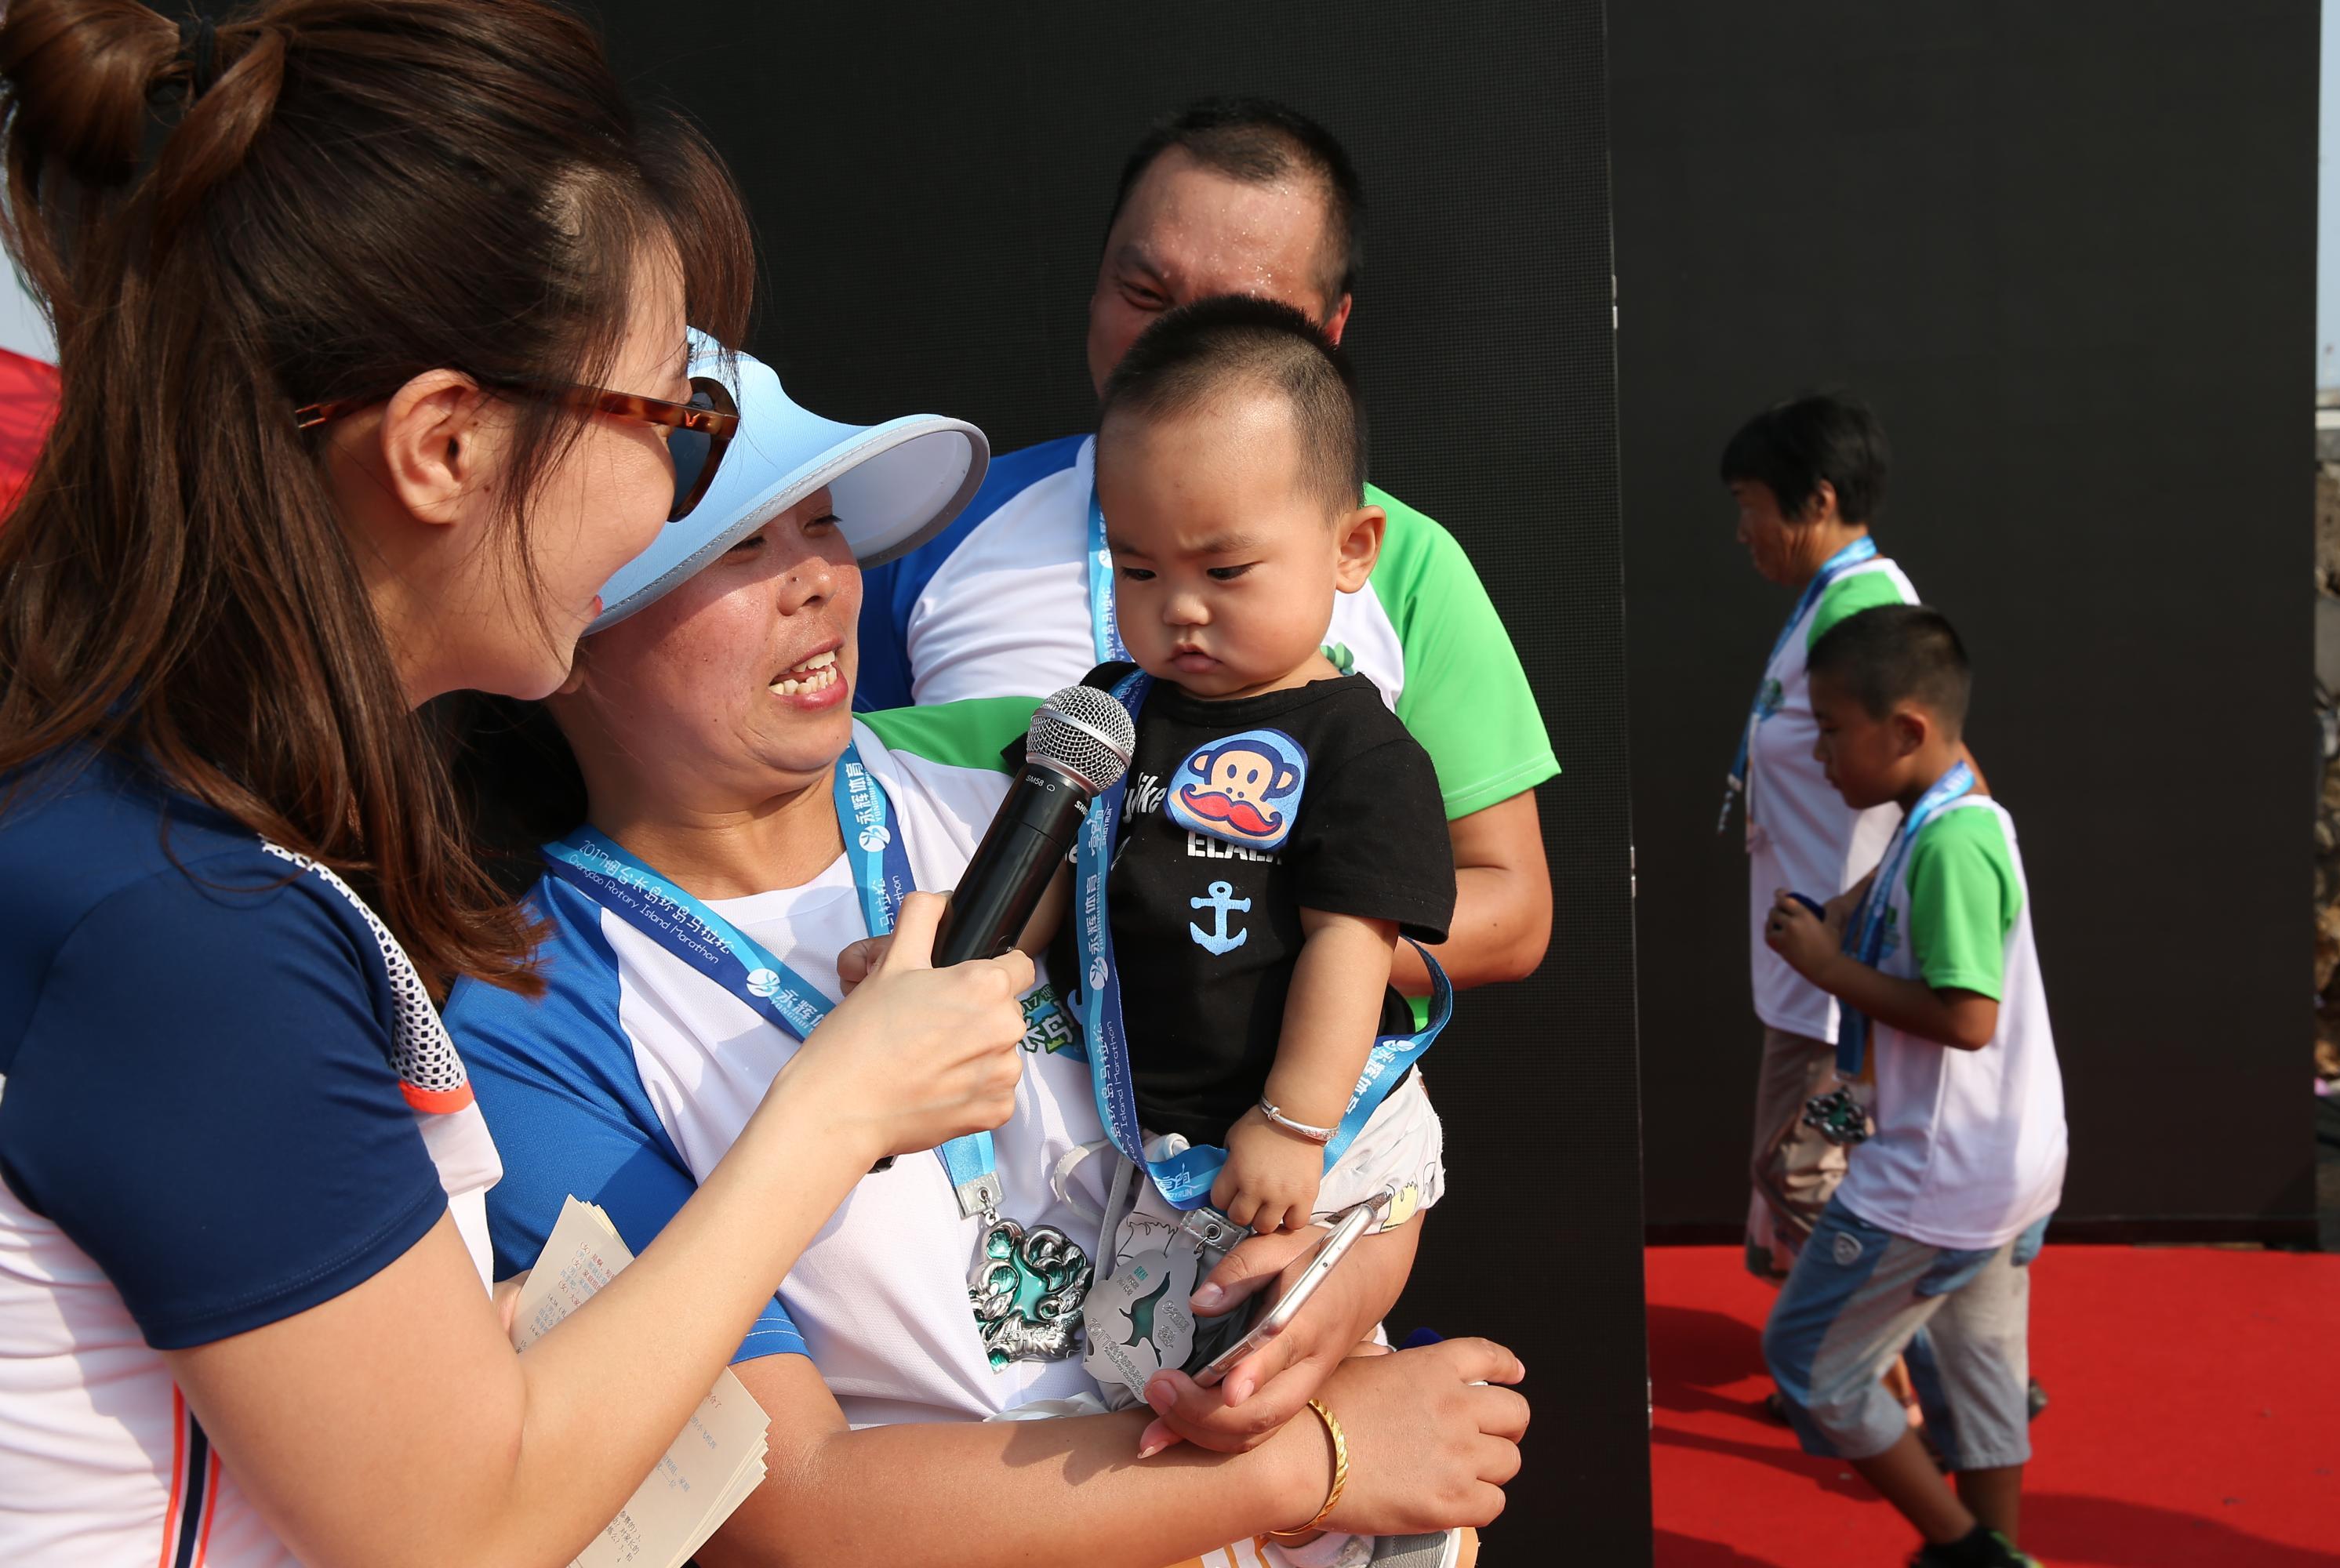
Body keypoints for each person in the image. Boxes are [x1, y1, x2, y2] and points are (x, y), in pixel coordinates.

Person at [0, 5, 1029, 1566]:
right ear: (445, 447)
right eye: (673, 426)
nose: (679, 497)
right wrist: (836, 1107)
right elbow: (459, 1526)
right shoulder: (180, 920)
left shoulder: (151, 822)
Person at [446, 343, 1529, 1568]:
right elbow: (787, 1504)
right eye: (741, 548)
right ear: (566, 624)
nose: (817, 580)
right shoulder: (529, 1023)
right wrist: (1308, 1464)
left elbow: (1362, 1121)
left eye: (824, 525)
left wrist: (1333, 1301)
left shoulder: (1059, 783)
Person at [858, 96, 1556, 1007]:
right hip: (970, 1129)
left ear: (1330, 330)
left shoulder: (1409, 563)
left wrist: (1248, 939)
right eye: (1144, 294)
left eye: (1238, 316)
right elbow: (816, 809)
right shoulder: (931, 522)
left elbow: (1513, 907)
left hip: (1289, 1142)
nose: (1173, 343)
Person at [1061, 296, 1453, 1250]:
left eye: (1225, 570)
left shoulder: (1359, 749)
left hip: (1303, 1143)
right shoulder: (1117, 702)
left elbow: (1351, 946)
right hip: (1142, 1132)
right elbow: (1052, 870)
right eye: (1139, 569)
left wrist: (1293, 1119)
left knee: (1279, 1349)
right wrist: (964, 954)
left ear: (1350, 549)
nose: (1179, 609)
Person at [1759, 606, 2066, 1568]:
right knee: (1983, 1393)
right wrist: (1842, 923)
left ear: (1906, 731)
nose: (1817, 756)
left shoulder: (1949, 842)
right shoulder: (1945, 811)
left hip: (1938, 1179)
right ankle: (1998, 1549)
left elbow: (1966, 1018)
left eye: (1833, 731)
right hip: (1997, 1168)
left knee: (1808, 1362)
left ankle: (1966, 1549)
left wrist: (1825, 966)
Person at [1718, 390, 1922, 1281]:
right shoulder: (1832, 599)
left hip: (1835, 981)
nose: (1743, 530)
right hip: (1810, 964)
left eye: (1749, 505)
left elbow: (1940, 769)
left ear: (1819, 499)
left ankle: (1884, 1377)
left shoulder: (1862, 608)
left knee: (1812, 1176)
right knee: (1801, 1175)